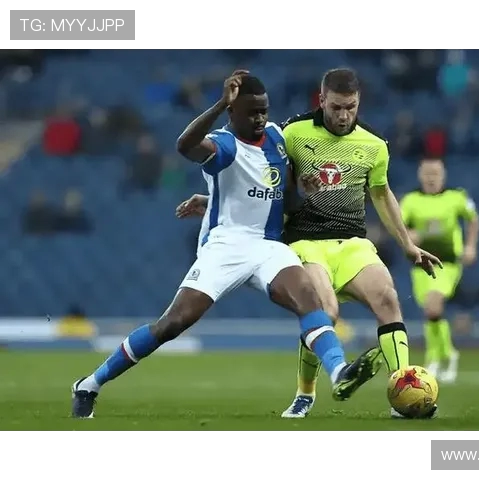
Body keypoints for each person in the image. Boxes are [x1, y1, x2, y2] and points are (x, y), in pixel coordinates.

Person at [70, 71, 381, 419]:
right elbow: (185, 145)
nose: (260, 118)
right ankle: (89, 384)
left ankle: (339, 371)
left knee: (308, 299)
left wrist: (304, 190)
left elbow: (286, 200)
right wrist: (219, 103)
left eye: (263, 110)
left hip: (268, 245)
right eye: (251, 112)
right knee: (172, 324)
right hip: (226, 246)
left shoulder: (277, 138)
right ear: (233, 112)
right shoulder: (224, 145)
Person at [177, 68, 442, 420]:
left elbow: (381, 193)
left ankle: (403, 391)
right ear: (322, 100)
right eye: (336, 107)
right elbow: (259, 179)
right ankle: (305, 394)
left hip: (352, 242)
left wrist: (408, 244)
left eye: (350, 107)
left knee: (388, 299)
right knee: (325, 311)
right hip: (305, 241)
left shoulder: (374, 145)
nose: (344, 115)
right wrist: (214, 202)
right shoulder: (292, 133)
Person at [400, 157, 479, 383]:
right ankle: (449, 354)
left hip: (447, 263)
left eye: (435, 173)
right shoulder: (411, 200)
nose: (431, 178)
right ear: (420, 175)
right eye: (427, 173)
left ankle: (433, 358)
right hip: (420, 264)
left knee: (433, 303)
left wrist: (471, 246)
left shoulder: (456, 197)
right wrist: (407, 236)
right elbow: (397, 223)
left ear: (443, 175)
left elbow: (473, 219)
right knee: (430, 312)